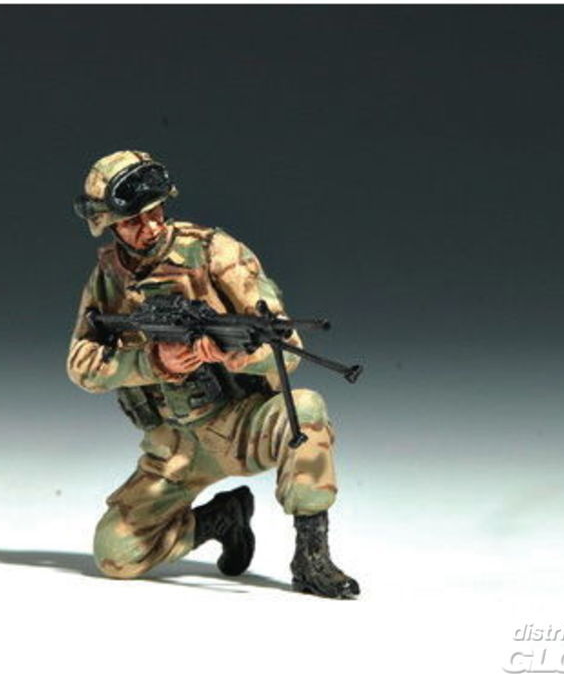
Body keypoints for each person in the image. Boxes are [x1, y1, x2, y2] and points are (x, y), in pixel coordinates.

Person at [66, 149, 359, 599]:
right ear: (108, 224)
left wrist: (235, 357)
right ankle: (221, 520)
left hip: (241, 426)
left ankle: (311, 556)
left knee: (305, 409)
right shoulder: (108, 279)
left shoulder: (214, 252)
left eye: (155, 212)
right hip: (174, 447)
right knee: (116, 553)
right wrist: (153, 362)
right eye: (133, 221)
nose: (150, 227)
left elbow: (288, 347)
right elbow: (81, 364)